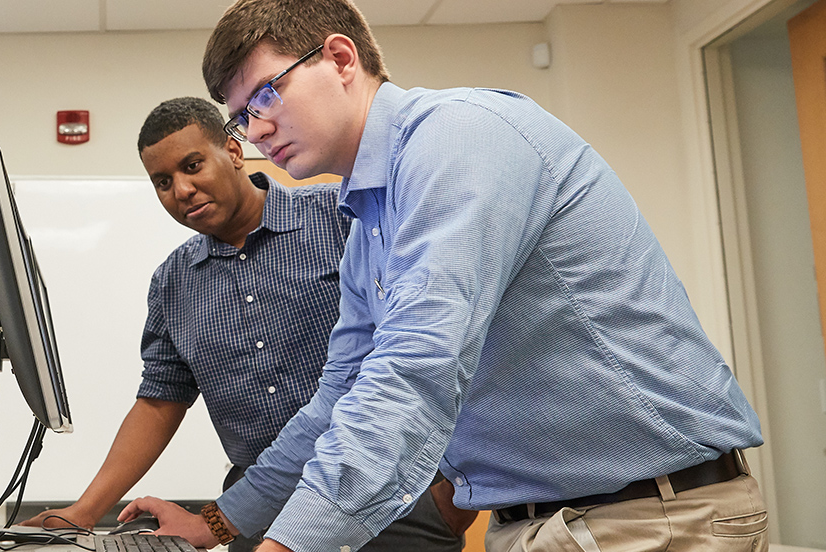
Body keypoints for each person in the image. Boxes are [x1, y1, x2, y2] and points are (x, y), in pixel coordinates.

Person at [118, 2, 767, 551]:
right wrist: (221, 522)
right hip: (543, 523)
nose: (256, 129)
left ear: (341, 60)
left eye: (265, 94)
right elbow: (340, 394)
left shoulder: (456, 140)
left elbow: (414, 366)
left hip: (652, 519)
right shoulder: (366, 211)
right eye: (240, 115)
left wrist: (289, 544)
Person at [19, 97, 467, 552]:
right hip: (255, 511)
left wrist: (453, 499)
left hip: (388, 498)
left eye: (193, 165)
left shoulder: (338, 219)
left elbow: (440, 343)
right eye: (163, 181)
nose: (182, 189)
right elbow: (159, 403)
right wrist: (85, 510)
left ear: (234, 151)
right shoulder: (172, 283)